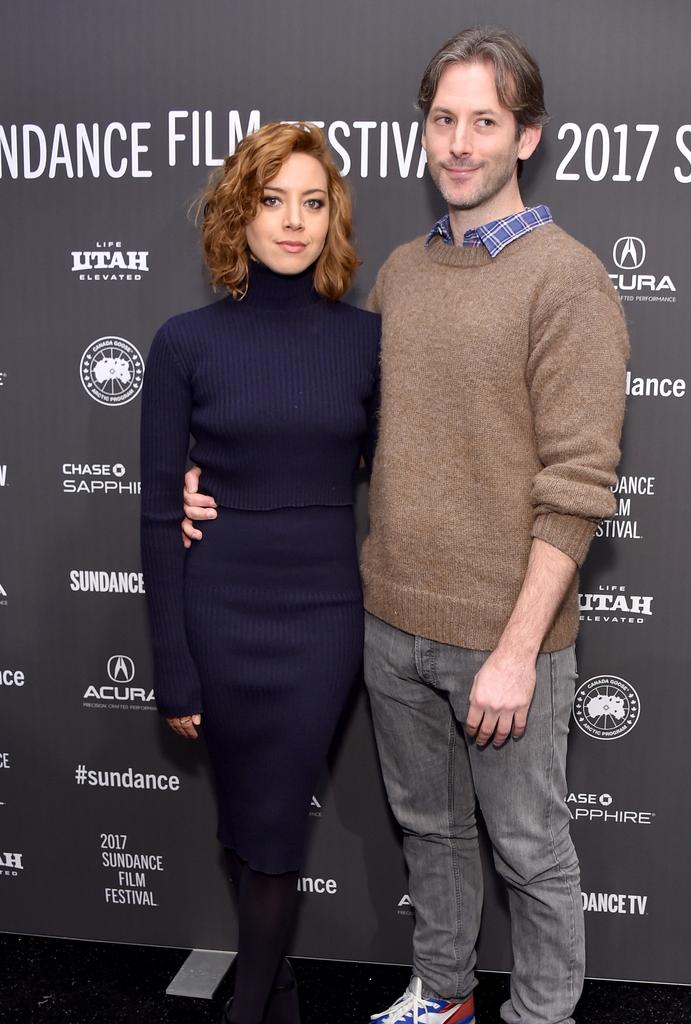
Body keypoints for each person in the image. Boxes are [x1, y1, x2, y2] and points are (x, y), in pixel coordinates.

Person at [183, 25, 628, 1024]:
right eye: (444, 119)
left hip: (505, 640)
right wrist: (204, 481)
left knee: (530, 846)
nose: (461, 142)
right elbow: (338, 427)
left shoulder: (568, 279)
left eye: (485, 120)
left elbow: (579, 486)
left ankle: (542, 1014)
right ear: (424, 130)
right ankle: (448, 991)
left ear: (526, 136)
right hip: (390, 625)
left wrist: (516, 651)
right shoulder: (400, 272)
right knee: (430, 831)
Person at [140, 120, 379, 1024]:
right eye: (272, 201)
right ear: (238, 215)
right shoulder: (183, 344)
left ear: (332, 218)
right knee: (243, 823)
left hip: (323, 618)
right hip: (219, 608)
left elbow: (397, 472)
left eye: (312, 203)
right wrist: (174, 665)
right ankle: (275, 988)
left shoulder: (368, 343)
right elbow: (160, 513)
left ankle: (249, 1006)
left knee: (274, 827)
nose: (293, 222)